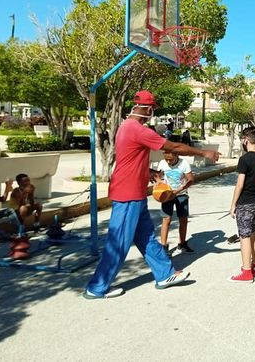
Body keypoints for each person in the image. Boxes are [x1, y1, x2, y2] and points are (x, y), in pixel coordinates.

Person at [84, 90, 220, 299]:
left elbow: (130, 159)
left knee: (146, 237)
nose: (153, 112)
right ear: (148, 109)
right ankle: (97, 287)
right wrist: (204, 153)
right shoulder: (137, 129)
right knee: (118, 242)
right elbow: (172, 146)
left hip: (135, 193)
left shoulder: (125, 127)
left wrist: (150, 172)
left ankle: (165, 274)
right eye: (153, 108)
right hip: (127, 194)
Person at [228, 126, 255, 283]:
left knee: (244, 236)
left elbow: (240, 184)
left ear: (246, 140)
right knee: (253, 234)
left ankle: (246, 271)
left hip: (245, 202)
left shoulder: (244, 159)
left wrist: (233, 205)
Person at [156, 149, 194, 255]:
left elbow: (190, 179)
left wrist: (180, 189)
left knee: (183, 219)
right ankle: (163, 246)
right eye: (166, 159)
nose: (168, 162)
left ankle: (182, 243)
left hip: (181, 194)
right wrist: (159, 182)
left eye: (170, 160)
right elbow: (158, 176)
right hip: (167, 194)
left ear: (176, 155)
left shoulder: (184, 163)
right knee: (166, 219)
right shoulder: (162, 163)